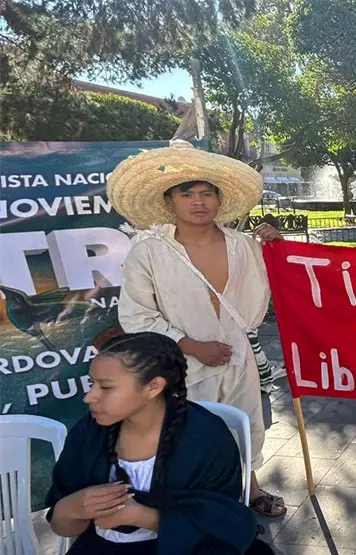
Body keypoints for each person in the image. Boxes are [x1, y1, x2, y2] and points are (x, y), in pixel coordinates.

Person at [107, 141, 287, 517]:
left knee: (245, 425)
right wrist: (189, 344)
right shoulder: (149, 252)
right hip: (181, 367)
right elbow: (137, 315)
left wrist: (278, 248)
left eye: (207, 193)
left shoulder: (245, 247)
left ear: (220, 200)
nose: (198, 201)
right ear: (170, 201)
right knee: (185, 435)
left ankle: (250, 489)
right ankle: (195, 507)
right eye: (186, 193)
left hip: (238, 359)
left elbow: (284, 284)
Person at [45, 332, 281, 555]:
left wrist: (143, 517)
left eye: (105, 387)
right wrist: (74, 507)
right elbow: (63, 526)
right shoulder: (88, 434)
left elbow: (223, 528)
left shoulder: (206, 439)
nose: (89, 397)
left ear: (154, 386)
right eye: (91, 384)